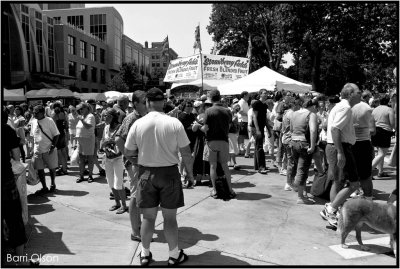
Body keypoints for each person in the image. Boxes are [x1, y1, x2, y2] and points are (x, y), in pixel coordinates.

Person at [124, 87, 193, 266]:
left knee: (148, 218)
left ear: (147, 103)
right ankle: (173, 255)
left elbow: (127, 151)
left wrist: (139, 162)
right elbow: (186, 152)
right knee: (170, 219)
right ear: (163, 102)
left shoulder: (138, 123)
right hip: (169, 173)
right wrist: (190, 174)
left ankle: (145, 254)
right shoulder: (174, 123)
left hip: (146, 172)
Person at [319, 83, 362, 227]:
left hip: (336, 146)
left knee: (338, 182)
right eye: (358, 92)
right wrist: (340, 152)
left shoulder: (340, 106)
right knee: (353, 183)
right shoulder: (346, 107)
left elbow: (333, 127)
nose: (360, 94)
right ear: (350, 94)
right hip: (339, 147)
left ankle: (333, 211)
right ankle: (331, 209)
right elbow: (335, 129)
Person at [115, 90, 148, 241]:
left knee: (141, 195)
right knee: (135, 195)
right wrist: (131, 159)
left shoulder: (144, 117)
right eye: (144, 101)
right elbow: (118, 140)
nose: (147, 103)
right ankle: (135, 232)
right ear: (135, 103)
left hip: (144, 163)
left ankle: (140, 227)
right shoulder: (131, 118)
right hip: (135, 164)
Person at [201, 89, 237, 199]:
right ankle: (230, 189)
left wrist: (201, 128)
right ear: (219, 97)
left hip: (212, 141)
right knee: (225, 166)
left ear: (210, 98)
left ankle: (215, 190)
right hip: (224, 141)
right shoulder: (227, 111)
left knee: (213, 166)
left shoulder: (209, 111)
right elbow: (229, 125)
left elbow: (205, 128)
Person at [289, 98, 318, 204]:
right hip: (304, 143)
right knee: (302, 170)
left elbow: (291, 129)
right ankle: (300, 197)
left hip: (294, 141)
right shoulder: (311, 114)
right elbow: (313, 130)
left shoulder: (294, 114)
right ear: (312, 106)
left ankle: (301, 191)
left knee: (298, 168)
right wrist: (313, 145)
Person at [100, 108, 128, 214]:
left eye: (106, 115)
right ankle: (117, 203)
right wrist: (105, 143)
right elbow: (102, 141)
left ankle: (124, 205)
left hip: (118, 158)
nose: (104, 118)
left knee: (118, 182)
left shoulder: (120, 127)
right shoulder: (106, 127)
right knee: (110, 182)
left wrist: (114, 141)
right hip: (108, 157)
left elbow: (125, 142)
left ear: (112, 117)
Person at [350, 91, 376, 200]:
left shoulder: (347, 106)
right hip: (363, 143)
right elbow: (372, 130)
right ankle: (368, 198)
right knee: (366, 175)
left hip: (349, 143)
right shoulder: (366, 107)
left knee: (352, 172)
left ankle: (356, 191)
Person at [30, 105, 60, 194]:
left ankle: (53, 184)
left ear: (43, 113)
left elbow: (56, 134)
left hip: (49, 149)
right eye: (34, 113)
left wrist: (53, 146)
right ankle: (44, 187)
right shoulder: (33, 121)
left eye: (36, 113)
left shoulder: (49, 121)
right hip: (38, 150)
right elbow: (33, 135)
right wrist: (33, 148)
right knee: (40, 169)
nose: (35, 115)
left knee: (51, 168)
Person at [371, 94, 395, 177]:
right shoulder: (389, 110)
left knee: (379, 152)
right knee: (381, 154)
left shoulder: (374, 110)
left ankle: (380, 172)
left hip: (375, 131)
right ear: (388, 101)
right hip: (384, 132)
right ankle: (366, 173)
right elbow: (392, 123)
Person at [251, 89, 272, 174]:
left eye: (267, 93)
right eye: (264, 93)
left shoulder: (265, 105)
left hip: (261, 128)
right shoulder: (256, 103)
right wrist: (257, 129)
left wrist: (269, 130)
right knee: (259, 147)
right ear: (260, 94)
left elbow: (265, 119)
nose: (266, 95)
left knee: (258, 147)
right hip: (256, 128)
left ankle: (257, 166)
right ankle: (261, 167)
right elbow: (254, 117)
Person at [75, 102, 96, 183]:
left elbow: (88, 126)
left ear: (87, 108)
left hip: (88, 139)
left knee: (90, 158)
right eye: (79, 109)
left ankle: (90, 175)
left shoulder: (90, 116)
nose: (80, 110)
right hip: (81, 140)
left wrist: (81, 120)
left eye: (82, 109)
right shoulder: (83, 117)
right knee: (81, 158)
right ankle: (81, 175)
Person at [51, 102, 69, 176]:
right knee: (63, 151)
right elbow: (66, 123)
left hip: (56, 134)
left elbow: (53, 125)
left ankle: (60, 168)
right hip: (62, 133)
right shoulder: (64, 113)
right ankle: (65, 168)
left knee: (59, 152)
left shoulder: (53, 114)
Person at [228, 102, 241, 170]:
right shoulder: (230, 113)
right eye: (236, 108)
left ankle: (229, 162)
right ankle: (235, 163)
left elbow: (236, 124)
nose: (237, 109)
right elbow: (229, 123)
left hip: (233, 132)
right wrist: (233, 121)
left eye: (238, 109)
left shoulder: (234, 114)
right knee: (232, 148)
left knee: (231, 147)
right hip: (230, 132)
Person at [237, 91, 250, 155]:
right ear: (244, 95)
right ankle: (240, 148)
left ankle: (241, 147)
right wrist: (248, 115)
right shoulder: (241, 102)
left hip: (245, 120)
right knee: (241, 135)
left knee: (243, 135)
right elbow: (240, 112)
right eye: (248, 95)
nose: (249, 96)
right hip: (242, 120)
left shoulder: (245, 102)